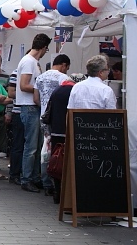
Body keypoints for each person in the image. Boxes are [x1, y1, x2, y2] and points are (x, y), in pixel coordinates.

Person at [16, 33, 51, 193]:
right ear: (43, 48)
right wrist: (41, 89)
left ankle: (34, 177)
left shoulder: (32, 62)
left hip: (32, 106)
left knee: (36, 145)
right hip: (29, 106)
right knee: (31, 146)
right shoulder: (29, 62)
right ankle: (27, 178)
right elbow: (24, 85)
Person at [45, 73, 86, 203]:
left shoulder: (57, 90)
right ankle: (68, 195)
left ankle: (57, 191)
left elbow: (49, 111)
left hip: (56, 131)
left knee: (57, 162)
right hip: (69, 131)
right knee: (70, 163)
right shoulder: (75, 91)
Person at [33, 53, 70, 196]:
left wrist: (44, 107)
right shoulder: (63, 78)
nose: (66, 70)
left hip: (44, 117)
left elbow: (36, 98)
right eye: (66, 67)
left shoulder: (40, 77)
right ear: (63, 65)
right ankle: (56, 184)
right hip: (57, 119)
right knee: (57, 152)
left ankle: (45, 182)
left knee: (45, 151)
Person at [6, 67, 23, 185]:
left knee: (28, 146)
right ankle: (14, 173)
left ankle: (23, 172)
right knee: (18, 143)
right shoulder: (16, 73)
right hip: (19, 112)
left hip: (28, 112)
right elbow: (11, 93)